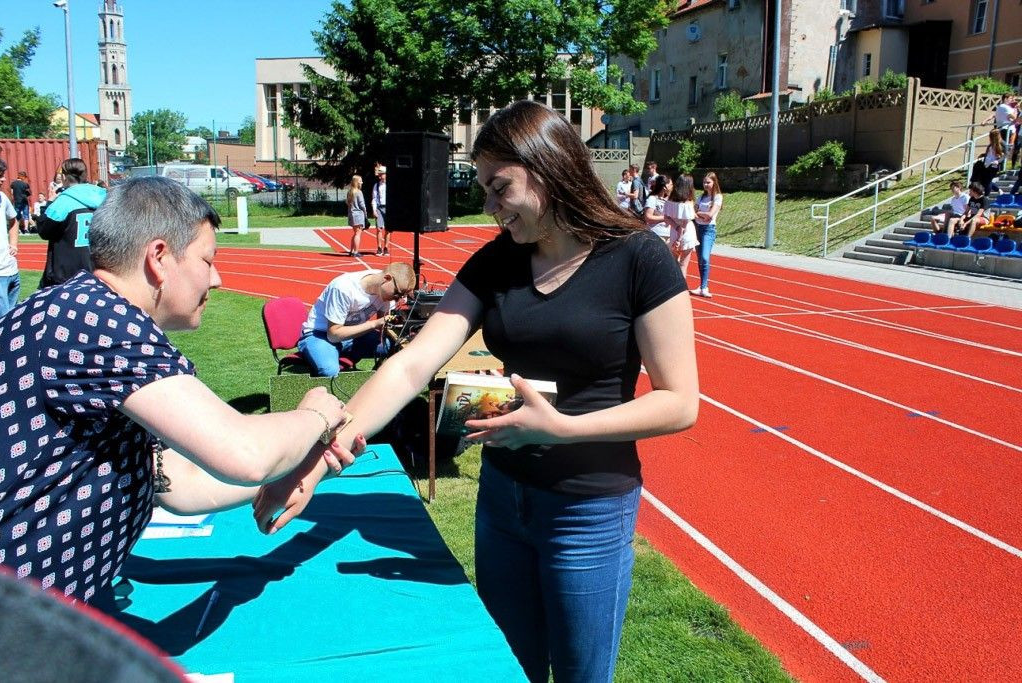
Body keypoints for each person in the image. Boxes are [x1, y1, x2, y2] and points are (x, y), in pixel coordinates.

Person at [254, 100, 699, 683]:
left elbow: (679, 402)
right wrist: (317, 462)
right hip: (503, 501)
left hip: (587, 508)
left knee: (580, 675)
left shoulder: (638, 258)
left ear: (548, 169)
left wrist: (563, 428)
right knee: (508, 669)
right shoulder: (496, 261)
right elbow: (412, 367)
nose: (488, 207)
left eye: (499, 188)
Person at [0, 176, 353, 605]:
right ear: (160, 258)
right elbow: (244, 455)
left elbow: (179, 484)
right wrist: (317, 414)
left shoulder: (75, 310)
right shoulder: (100, 324)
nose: (217, 279)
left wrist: (305, 461)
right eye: (208, 259)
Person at [297, 262, 415, 376]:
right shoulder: (343, 288)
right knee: (329, 370)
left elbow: (384, 328)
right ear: (387, 278)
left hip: (353, 335)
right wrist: (374, 324)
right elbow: (333, 335)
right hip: (320, 334)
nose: (398, 298)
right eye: (398, 293)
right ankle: (325, 355)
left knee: (396, 345)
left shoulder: (385, 290)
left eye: (402, 296)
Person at [36, 158, 107, 288]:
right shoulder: (104, 198)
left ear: (63, 176)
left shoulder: (63, 202)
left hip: (67, 275)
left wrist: (49, 203)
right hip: (98, 270)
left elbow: (44, 230)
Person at [693, 171, 723, 298]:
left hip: (708, 230)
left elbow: (710, 216)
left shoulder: (718, 197)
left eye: (708, 182)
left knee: (705, 257)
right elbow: (692, 212)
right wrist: (701, 214)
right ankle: (701, 285)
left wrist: (699, 213)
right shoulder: (701, 197)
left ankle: (705, 287)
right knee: (700, 259)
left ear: (714, 182)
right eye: (704, 182)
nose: (705, 184)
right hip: (697, 228)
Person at [0, 159, 20, 317]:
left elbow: (13, 220)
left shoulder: (2, 197)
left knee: (12, 318)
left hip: (11, 270)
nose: (4, 179)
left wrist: (13, 244)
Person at [668, 174, 699, 276]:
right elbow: (684, 224)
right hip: (686, 235)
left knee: (673, 265)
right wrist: (679, 238)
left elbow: (666, 218)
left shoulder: (670, 201)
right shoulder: (688, 202)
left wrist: (676, 229)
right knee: (683, 265)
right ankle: (681, 289)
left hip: (673, 232)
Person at [643, 174, 673, 241]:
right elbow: (648, 217)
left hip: (668, 235)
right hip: (656, 235)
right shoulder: (652, 199)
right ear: (664, 187)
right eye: (671, 185)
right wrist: (665, 218)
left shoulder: (669, 200)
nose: (672, 187)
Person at [346, 174, 368, 257]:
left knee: (355, 233)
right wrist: (365, 213)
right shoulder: (359, 192)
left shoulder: (350, 192)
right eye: (360, 181)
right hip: (358, 215)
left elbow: (348, 203)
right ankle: (356, 252)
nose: (362, 183)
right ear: (357, 182)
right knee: (358, 234)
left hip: (351, 214)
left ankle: (351, 251)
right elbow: (362, 205)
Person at [372, 165, 390, 256]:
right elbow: (374, 198)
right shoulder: (377, 185)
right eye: (379, 174)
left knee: (388, 229)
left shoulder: (390, 184)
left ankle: (386, 247)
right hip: (379, 207)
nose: (379, 176)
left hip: (388, 207)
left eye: (381, 174)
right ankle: (379, 247)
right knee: (379, 228)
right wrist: (374, 210)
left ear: (385, 174)